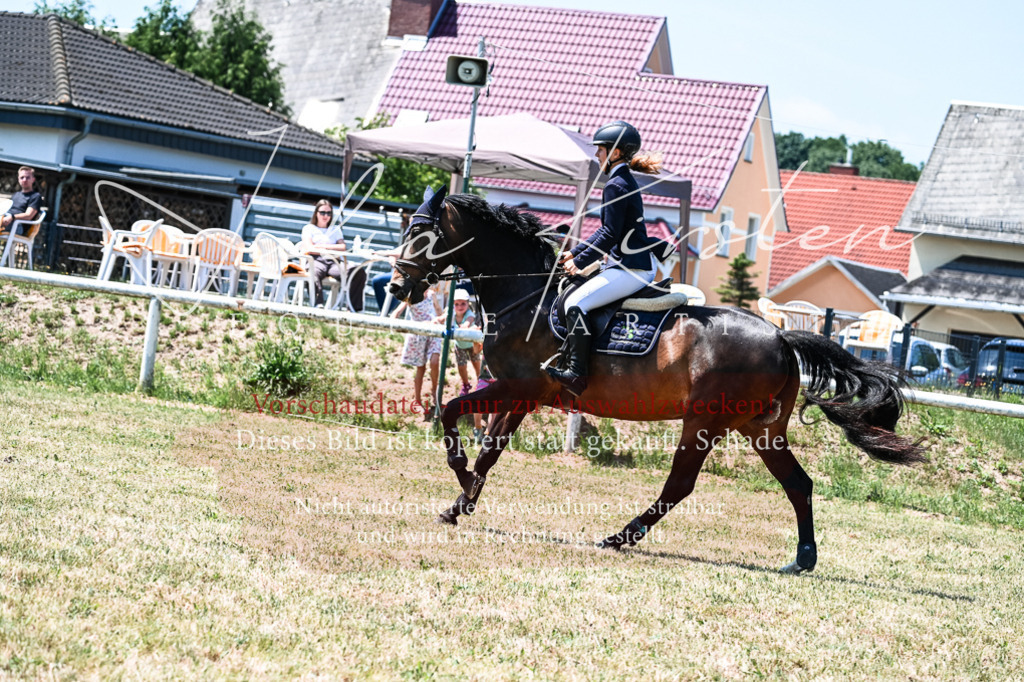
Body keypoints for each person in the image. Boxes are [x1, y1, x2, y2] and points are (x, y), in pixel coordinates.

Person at [544, 120, 663, 396]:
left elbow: (610, 234)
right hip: (628, 264)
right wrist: (575, 252)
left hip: (630, 268)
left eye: (600, 150)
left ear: (616, 153)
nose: (597, 155)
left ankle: (576, 373)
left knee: (575, 303)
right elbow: (605, 231)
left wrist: (579, 263)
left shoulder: (616, 185)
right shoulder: (622, 181)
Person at [399, 279, 445, 419]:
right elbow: (397, 311)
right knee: (421, 368)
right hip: (419, 335)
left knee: (435, 361)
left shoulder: (431, 295)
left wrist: (442, 318)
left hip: (433, 332)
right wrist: (391, 324)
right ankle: (417, 399)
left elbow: (439, 312)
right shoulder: (411, 297)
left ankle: (435, 393)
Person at [298, 199, 347, 307]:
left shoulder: (335, 229)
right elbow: (309, 248)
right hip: (315, 260)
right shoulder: (308, 228)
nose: (326, 216)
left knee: (355, 272)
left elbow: (343, 247)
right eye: (322, 212)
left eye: (329, 213)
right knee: (313, 272)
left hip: (334, 262)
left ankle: (354, 308)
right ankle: (318, 304)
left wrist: (321, 246)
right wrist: (332, 247)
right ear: (316, 213)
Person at [437, 288, 481, 397]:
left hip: (472, 344)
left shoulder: (469, 314)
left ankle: (480, 381)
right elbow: (442, 318)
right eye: (457, 304)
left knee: (476, 363)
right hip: (460, 345)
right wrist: (437, 320)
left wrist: (465, 325)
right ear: (453, 305)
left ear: (468, 304)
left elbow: (469, 321)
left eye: (463, 304)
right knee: (461, 366)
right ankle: (466, 384)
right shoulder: (451, 312)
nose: (460, 306)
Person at [1, 167, 42, 236]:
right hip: (5, 220)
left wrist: (12, 217)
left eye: (28, 177)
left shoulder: (35, 196)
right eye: (22, 177)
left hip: (17, 225)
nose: (24, 180)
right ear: (18, 179)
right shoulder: (16, 195)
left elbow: (28, 215)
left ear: (33, 179)